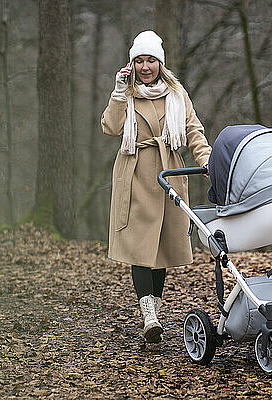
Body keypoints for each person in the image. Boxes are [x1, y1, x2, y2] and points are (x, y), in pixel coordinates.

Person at [101, 30, 212, 343]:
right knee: (140, 245)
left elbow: (194, 132)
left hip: (170, 173)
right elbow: (110, 127)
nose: (145, 66)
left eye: (151, 60)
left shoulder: (177, 94)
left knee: (162, 246)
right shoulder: (127, 93)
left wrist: (207, 161)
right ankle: (148, 314)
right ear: (132, 63)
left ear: (160, 63)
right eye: (140, 60)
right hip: (135, 171)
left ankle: (154, 314)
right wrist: (119, 93)